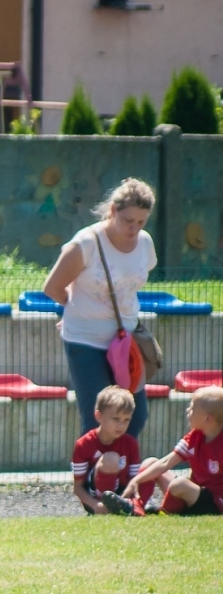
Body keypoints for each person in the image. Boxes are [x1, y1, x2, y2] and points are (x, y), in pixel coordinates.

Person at [43, 178, 159, 440]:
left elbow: (133, 281)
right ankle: (90, 479)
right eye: (128, 220)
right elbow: (52, 288)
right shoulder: (85, 243)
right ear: (113, 211)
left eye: (141, 222)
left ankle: (121, 476)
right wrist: (75, 308)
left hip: (126, 340)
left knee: (135, 415)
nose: (134, 228)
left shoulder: (145, 242)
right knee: (99, 417)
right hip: (86, 340)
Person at [123, 386, 223, 517]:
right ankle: (136, 505)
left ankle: (163, 514)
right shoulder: (194, 436)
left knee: (179, 484)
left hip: (214, 503)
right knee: (150, 463)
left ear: (208, 419)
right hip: (193, 493)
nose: (188, 411)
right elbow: (166, 462)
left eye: (192, 408)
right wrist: (135, 480)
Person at [71, 386, 153, 516]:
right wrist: (94, 505)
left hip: (124, 491)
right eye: (116, 419)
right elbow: (78, 487)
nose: (121, 425)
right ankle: (108, 508)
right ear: (99, 416)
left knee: (151, 464)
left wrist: (131, 497)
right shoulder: (83, 444)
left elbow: (134, 479)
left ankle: (136, 506)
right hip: (97, 499)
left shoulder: (130, 443)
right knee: (110, 459)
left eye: (126, 420)